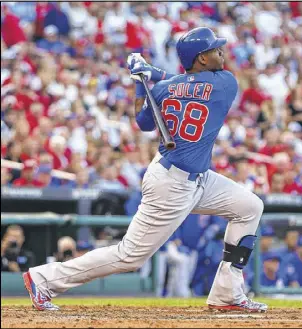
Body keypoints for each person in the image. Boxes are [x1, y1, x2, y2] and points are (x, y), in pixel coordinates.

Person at [23, 27, 266, 313]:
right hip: (172, 184)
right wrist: (154, 73)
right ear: (200, 59)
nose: (222, 53)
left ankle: (227, 292)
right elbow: (186, 87)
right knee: (130, 257)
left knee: (249, 206)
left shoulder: (163, 89)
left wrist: (143, 82)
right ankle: (45, 278)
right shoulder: (226, 83)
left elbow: (144, 122)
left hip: (195, 177)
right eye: (215, 50)